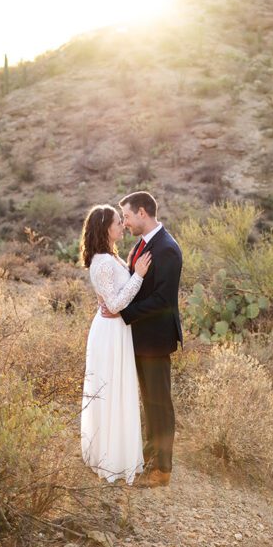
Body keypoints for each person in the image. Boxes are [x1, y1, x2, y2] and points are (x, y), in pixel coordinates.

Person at [101, 191, 182, 489]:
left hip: (156, 339)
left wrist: (124, 313)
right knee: (148, 401)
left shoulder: (167, 249)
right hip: (139, 338)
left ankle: (163, 469)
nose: (125, 222)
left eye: (127, 216)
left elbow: (163, 300)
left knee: (160, 403)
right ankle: (149, 458)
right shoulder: (141, 244)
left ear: (143, 213)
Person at [80, 204, 152, 485]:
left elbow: (111, 300)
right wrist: (139, 275)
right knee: (112, 391)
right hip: (111, 332)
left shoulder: (107, 258)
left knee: (114, 390)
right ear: (104, 228)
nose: (122, 225)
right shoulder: (105, 262)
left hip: (112, 329)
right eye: (117, 222)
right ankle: (112, 458)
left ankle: (110, 451)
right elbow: (116, 303)